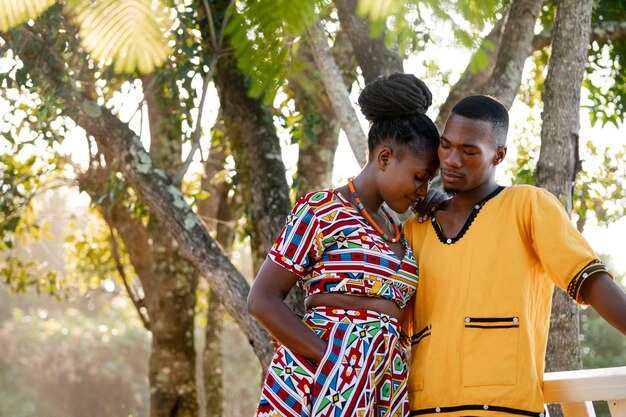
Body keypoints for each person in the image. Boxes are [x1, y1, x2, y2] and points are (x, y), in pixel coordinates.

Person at [403, 94, 626, 417]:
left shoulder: (527, 205)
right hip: (425, 409)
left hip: (507, 408)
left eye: (468, 151)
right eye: (446, 146)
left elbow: (591, 281)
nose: (451, 160)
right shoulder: (416, 229)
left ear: (499, 155)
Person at [247, 73, 441, 417]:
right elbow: (261, 299)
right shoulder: (321, 210)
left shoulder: (401, 231)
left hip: (386, 384)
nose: (422, 190)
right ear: (384, 158)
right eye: (419, 177)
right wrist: (334, 360)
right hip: (325, 379)